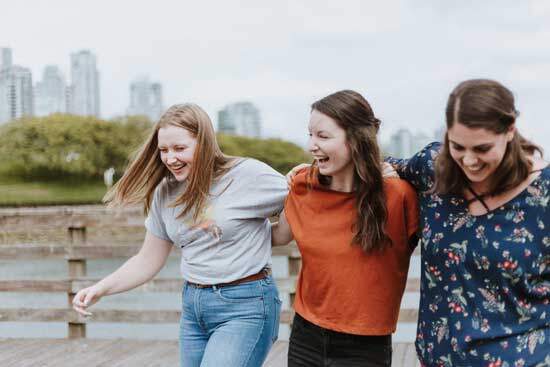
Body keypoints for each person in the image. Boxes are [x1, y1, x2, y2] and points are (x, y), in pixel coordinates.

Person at [72, 103, 287, 367]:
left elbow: (302, 204)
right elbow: (147, 260)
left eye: (180, 148)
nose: (170, 158)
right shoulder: (165, 191)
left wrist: (277, 229)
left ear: (204, 143)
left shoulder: (247, 175)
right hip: (194, 309)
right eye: (164, 150)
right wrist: (99, 289)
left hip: (246, 306)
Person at [384, 79, 549, 366]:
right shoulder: (433, 166)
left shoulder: (544, 195)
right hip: (434, 359)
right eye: (458, 146)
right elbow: (382, 166)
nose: (469, 160)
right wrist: (306, 177)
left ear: (510, 131)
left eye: (482, 148)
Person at [272, 90, 419, 367]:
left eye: (323, 136)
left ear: (356, 140)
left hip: (365, 346)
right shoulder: (303, 185)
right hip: (306, 335)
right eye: (310, 135)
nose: (312, 146)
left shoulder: (398, 195)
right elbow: (277, 236)